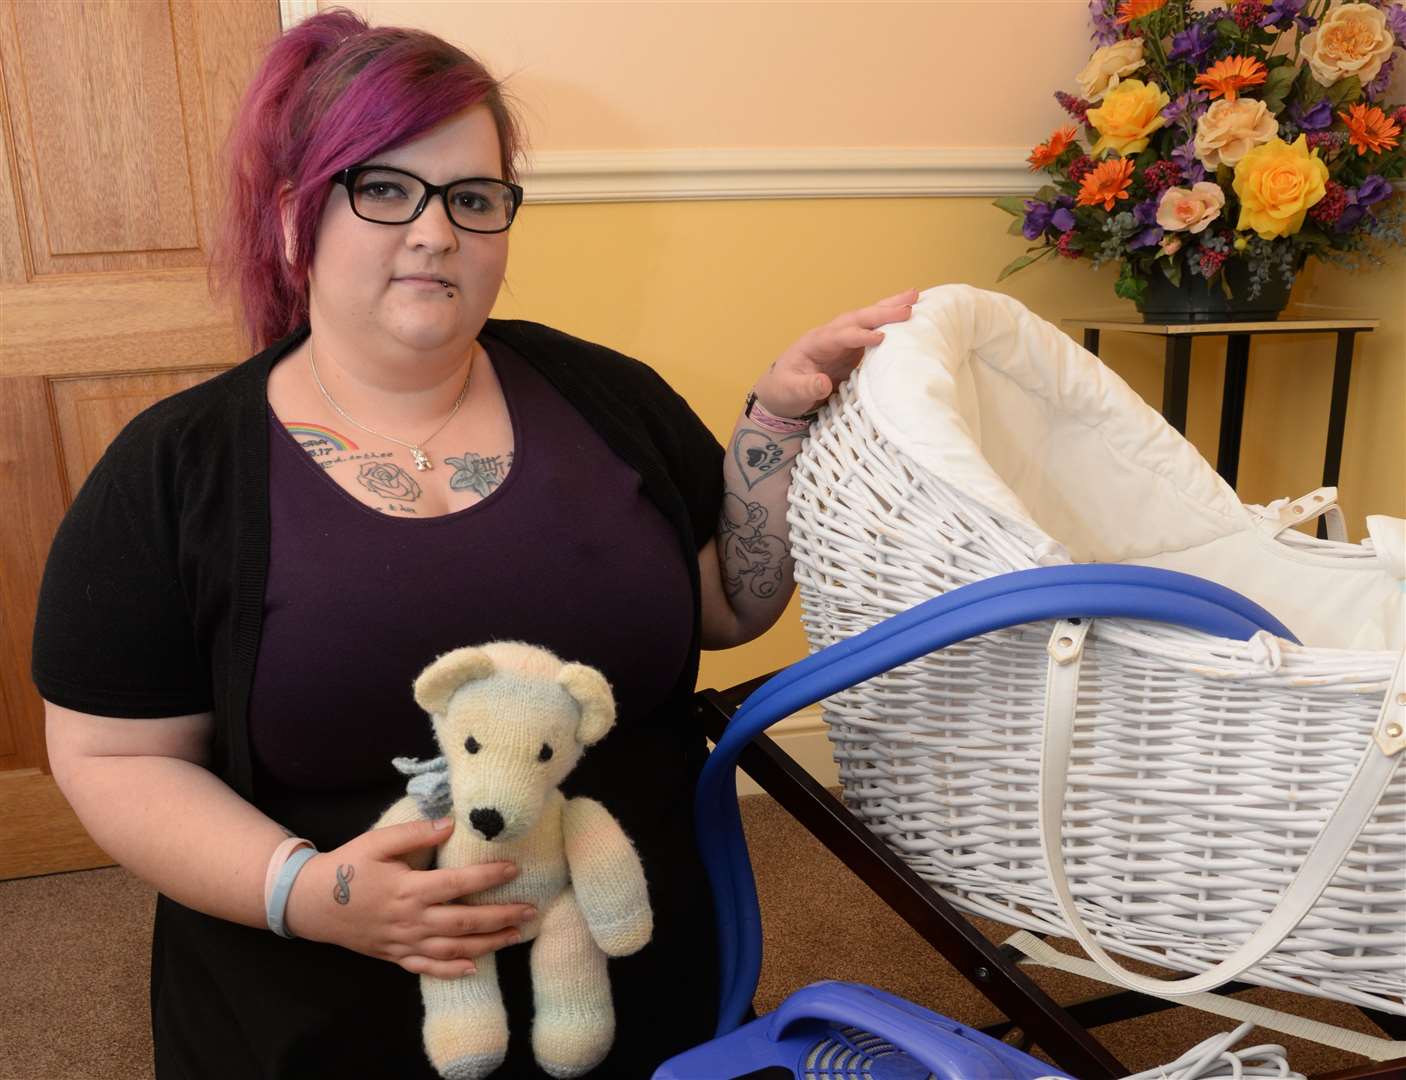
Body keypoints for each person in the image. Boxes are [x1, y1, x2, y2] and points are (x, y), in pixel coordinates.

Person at [32, 9, 914, 1079]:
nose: (436, 231)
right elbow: (114, 757)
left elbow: (730, 603)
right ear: (289, 219)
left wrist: (775, 420)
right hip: (317, 1018)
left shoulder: (605, 395)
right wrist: (310, 894)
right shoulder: (177, 470)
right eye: (385, 188)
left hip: (627, 973)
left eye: (473, 197)